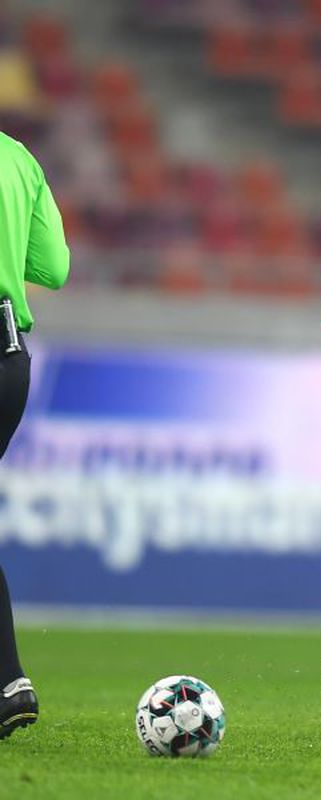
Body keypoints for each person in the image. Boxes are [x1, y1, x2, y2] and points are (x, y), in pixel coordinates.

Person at [0, 131, 71, 740]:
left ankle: (6, 678)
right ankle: (8, 682)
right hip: (10, 361)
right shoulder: (19, 157)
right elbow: (54, 267)